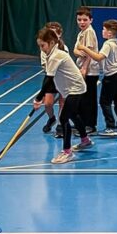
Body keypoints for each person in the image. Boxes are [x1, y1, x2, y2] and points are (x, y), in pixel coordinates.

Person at [34, 25, 91, 163]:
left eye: (43, 45)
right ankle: (85, 140)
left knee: (64, 118)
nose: (41, 49)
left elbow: (48, 79)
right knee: (73, 115)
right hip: (69, 89)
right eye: (40, 46)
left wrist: (38, 98)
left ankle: (67, 152)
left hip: (75, 89)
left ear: (52, 43)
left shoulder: (56, 55)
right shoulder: (51, 54)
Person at [78, 19, 117, 137]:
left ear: (109, 33)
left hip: (111, 76)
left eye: (104, 29)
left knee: (105, 102)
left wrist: (85, 48)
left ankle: (110, 127)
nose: (102, 31)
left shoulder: (108, 44)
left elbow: (99, 57)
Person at [37, 20, 66, 136]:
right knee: (48, 104)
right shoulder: (44, 49)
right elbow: (47, 68)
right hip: (50, 78)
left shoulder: (64, 48)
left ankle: (60, 124)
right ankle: (52, 118)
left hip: (62, 78)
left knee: (62, 102)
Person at [73, 6, 99, 135]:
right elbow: (76, 51)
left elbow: (88, 52)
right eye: (79, 20)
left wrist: (84, 68)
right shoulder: (81, 33)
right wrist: (80, 53)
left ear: (91, 20)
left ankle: (90, 125)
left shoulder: (89, 32)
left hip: (90, 71)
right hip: (81, 68)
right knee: (82, 98)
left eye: (85, 20)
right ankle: (82, 123)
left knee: (89, 98)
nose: (82, 22)